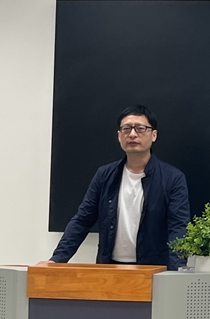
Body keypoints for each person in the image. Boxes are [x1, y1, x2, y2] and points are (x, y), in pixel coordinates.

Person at [47, 105, 189, 270]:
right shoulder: (105, 175)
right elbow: (82, 220)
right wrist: (56, 260)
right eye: (126, 129)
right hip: (109, 268)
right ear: (119, 136)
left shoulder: (172, 178)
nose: (133, 134)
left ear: (154, 135)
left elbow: (178, 227)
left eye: (140, 128)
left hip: (154, 269)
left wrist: (177, 271)